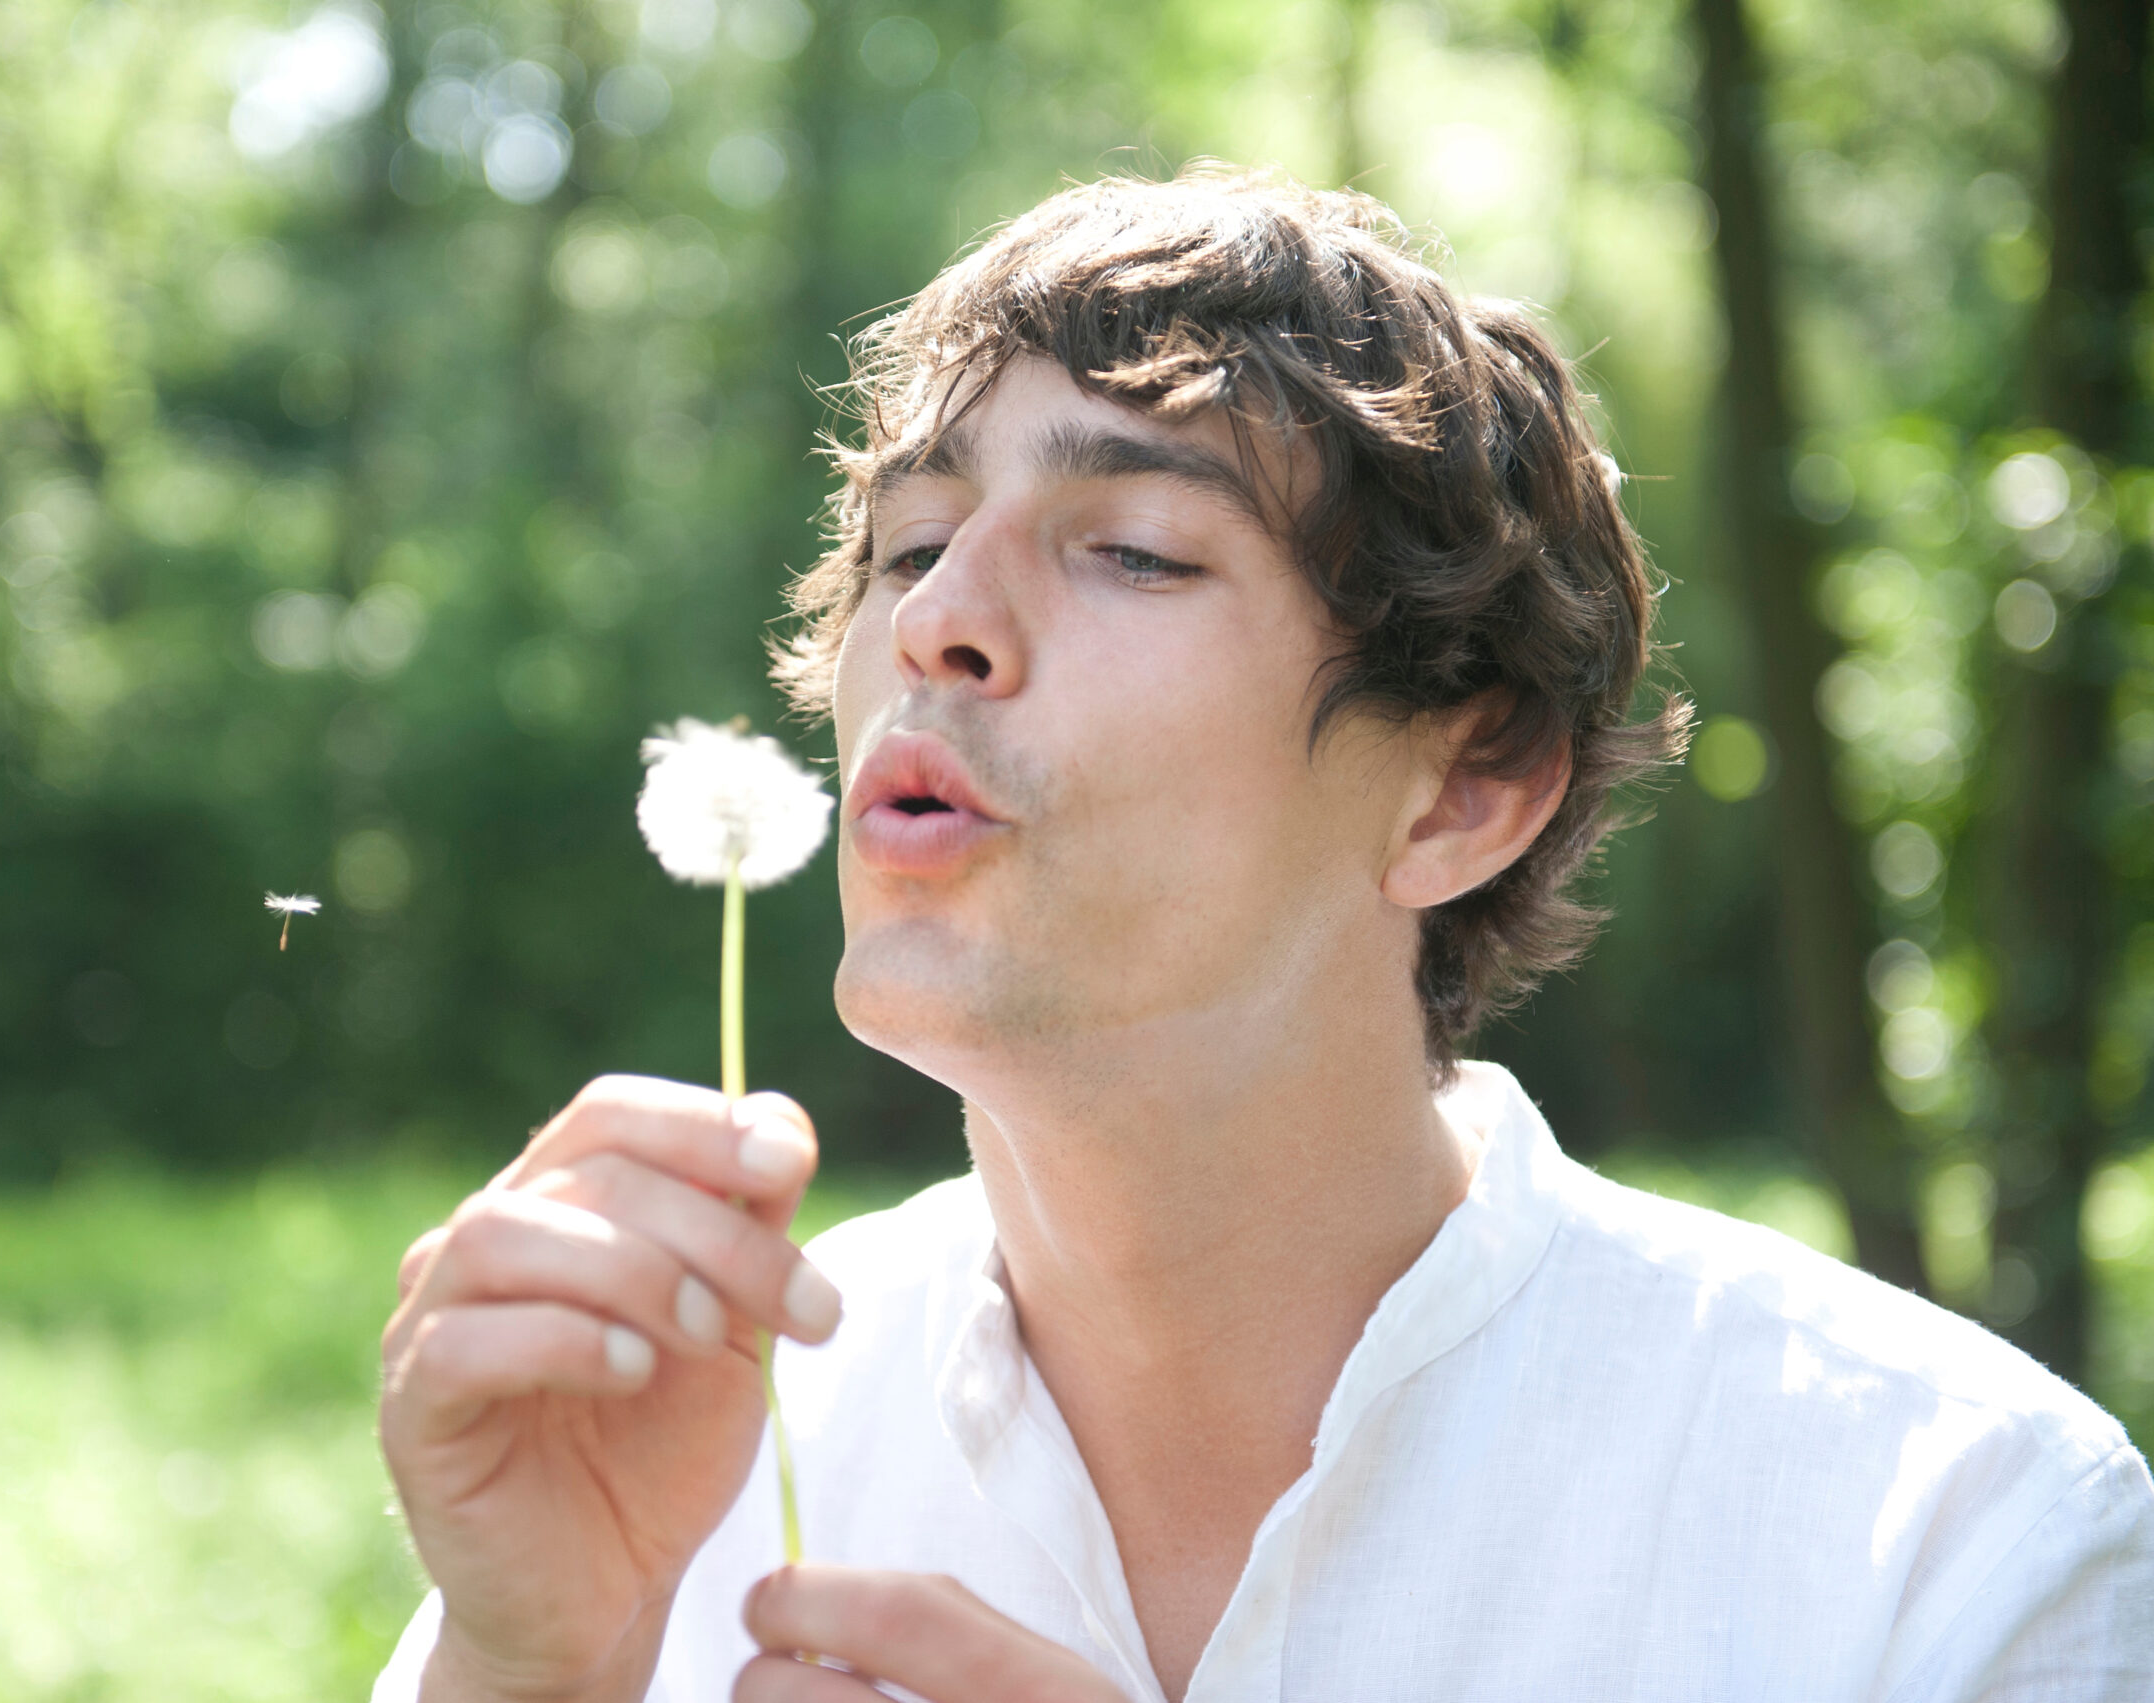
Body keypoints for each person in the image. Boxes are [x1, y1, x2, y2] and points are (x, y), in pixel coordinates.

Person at [370, 169, 2154, 1703]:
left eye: (1135, 548)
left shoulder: (1946, 1537)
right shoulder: (671, 1461)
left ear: (1468, 784)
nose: (942, 623)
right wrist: (524, 1675)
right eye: (911, 543)